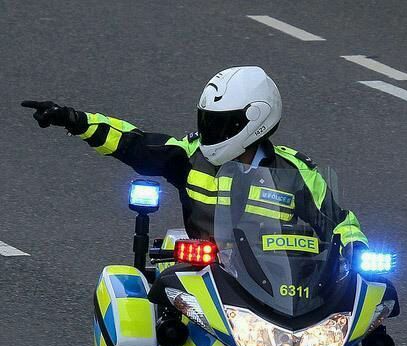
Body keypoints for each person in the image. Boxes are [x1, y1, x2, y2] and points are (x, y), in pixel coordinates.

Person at [22, 65, 368, 246]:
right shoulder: (190, 154)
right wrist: (75, 120)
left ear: (257, 119)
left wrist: (358, 256)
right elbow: (134, 144)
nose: (211, 133)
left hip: (275, 287)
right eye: (208, 122)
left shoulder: (296, 173)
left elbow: (340, 224)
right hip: (201, 275)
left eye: (222, 123)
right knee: (152, 316)